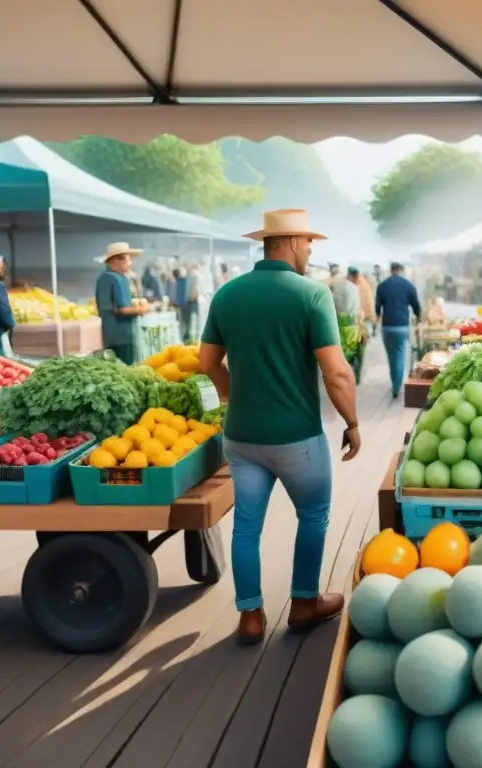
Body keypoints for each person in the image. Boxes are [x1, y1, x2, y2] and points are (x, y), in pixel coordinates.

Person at [199, 209, 359, 646]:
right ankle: (304, 604)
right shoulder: (311, 296)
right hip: (298, 439)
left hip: (242, 438)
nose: (310, 250)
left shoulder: (227, 295)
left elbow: (207, 362)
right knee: (313, 517)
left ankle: (250, 616)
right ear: (288, 241)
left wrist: (236, 395)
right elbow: (337, 374)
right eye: (308, 241)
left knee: (246, 526)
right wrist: (353, 422)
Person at [95, 242, 149, 364]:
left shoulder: (103, 278)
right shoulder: (117, 279)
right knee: (125, 369)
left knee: (114, 369)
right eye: (128, 259)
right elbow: (123, 309)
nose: (130, 263)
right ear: (116, 260)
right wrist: (143, 310)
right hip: (122, 335)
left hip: (109, 335)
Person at [375, 261, 421, 398]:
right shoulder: (408, 285)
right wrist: (419, 318)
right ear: (401, 270)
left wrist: (378, 317)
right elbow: (416, 306)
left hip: (387, 326)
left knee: (391, 357)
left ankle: (394, 383)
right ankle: (397, 386)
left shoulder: (382, 286)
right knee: (400, 356)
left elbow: (377, 307)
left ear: (391, 270)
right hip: (402, 326)